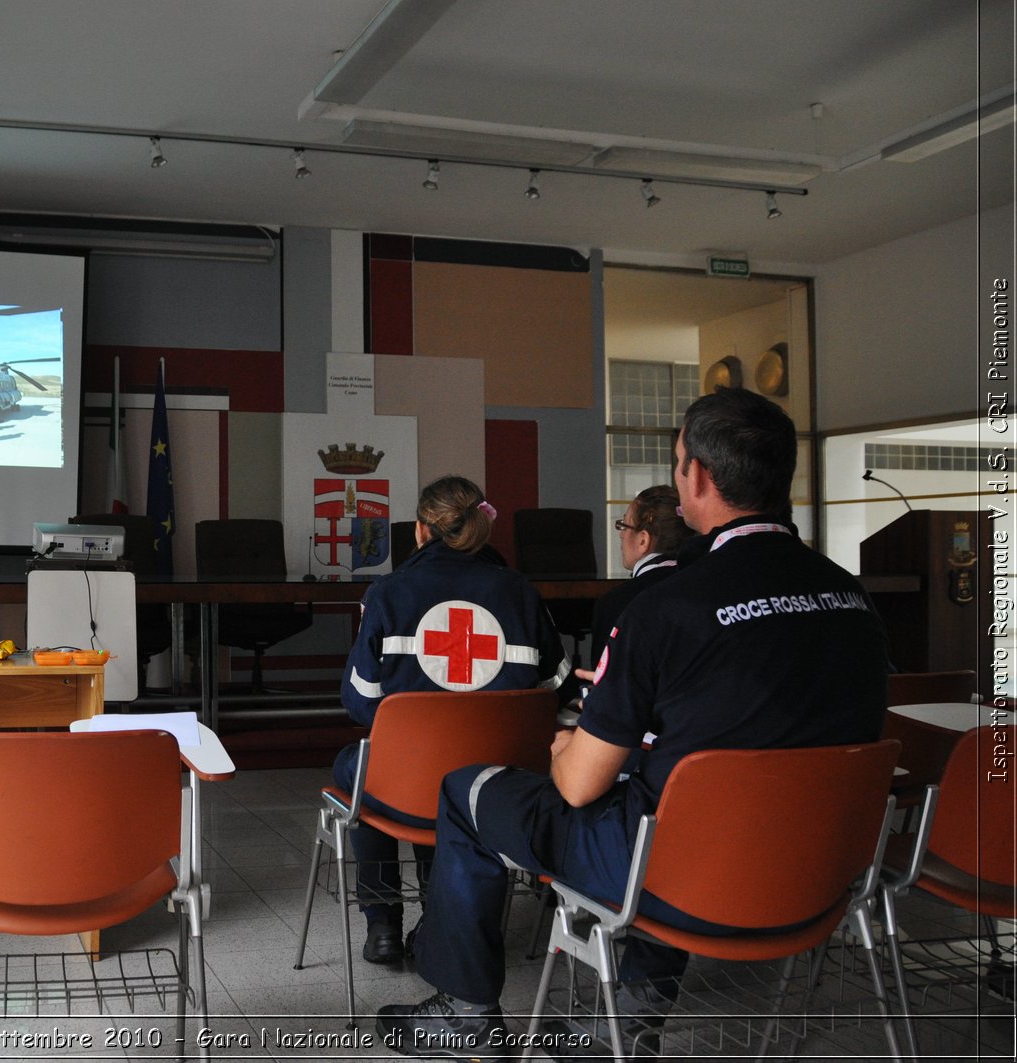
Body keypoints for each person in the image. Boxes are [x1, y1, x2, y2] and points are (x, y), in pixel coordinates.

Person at [376, 389, 890, 1057]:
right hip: (815, 879)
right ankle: (624, 1020)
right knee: (667, 796)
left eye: (679, 462)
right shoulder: (856, 600)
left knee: (469, 791)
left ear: (697, 477)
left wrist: (565, 742)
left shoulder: (664, 609)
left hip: (676, 872)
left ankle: (468, 1011)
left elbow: (580, 787)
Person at [338, 476, 570, 966]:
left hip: (409, 784)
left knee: (367, 765)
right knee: (433, 773)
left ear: (421, 531)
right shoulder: (521, 593)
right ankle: (438, 914)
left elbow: (360, 703)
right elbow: (557, 692)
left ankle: (383, 921)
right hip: (498, 783)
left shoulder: (387, 593)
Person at [588, 484, 688, 666]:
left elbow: (604, 684)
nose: (621, 535)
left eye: (624, 525)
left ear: (643, 540)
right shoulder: (708, 588)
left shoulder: (615, 604)